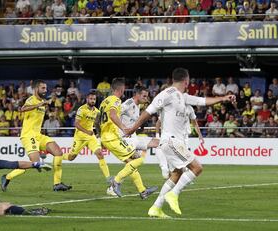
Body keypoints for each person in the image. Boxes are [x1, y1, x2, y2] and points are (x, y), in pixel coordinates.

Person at [125, 68, 235, 218]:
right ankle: (174, 194)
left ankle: (156, 208)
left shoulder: (183, 97)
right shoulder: (167, 94)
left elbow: (202, 101)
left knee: (176, 174)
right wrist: (132, 128)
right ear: (186, 81)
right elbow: (148, 112)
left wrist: (223, 98)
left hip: (176, 143)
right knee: (197, 168)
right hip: (170, 141)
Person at [1, 80, 72, 192]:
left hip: (38, 135)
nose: (45, 90)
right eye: (43, 88)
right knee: (35, 163)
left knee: (58, 152)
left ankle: (57, 184)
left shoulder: (43, 102)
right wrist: (38, 104)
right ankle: (7, 177)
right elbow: (22, 109)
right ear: (36, 89)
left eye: (45, 88)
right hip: (28, 135)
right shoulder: (31, 100)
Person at [99, 78, 158, 199]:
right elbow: (113, 114)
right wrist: (124, 128)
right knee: (139, 160)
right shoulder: (118, 101)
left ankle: (142, 191)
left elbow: (98, 119)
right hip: (115, 137)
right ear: (121, 90)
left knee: (132, 163)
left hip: (110, 137)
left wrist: (100, 135)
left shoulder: (104, 102)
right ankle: (115, 182)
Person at [62, 92, 111, 190]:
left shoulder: (97, 111)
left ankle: (109, 179)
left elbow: (97, 124)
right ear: (87, 99)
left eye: (94, 99)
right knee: (71, 157)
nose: (93, 101)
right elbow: (76, 124)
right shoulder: (81, 109)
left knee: (100, 154)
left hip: (91, 137)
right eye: (91, 99)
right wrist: (87, 131)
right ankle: (59, 156)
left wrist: (100, 136)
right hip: (80, 137)